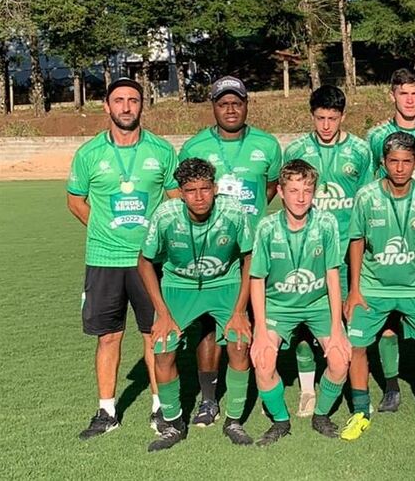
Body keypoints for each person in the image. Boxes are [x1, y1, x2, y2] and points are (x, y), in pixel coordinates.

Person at [68, 77, 179, 440]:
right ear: (107, 106)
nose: (126, 107)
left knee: (154, 336)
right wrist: (104, 230)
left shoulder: (162, 151)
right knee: (108, 337)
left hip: (149, 261)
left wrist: (156, 236)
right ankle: (107, 411)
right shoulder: (88, 154)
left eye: (133, 100)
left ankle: (160, 408)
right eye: (119, 100)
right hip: (103, 259)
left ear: (142, 105)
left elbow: (175, 197)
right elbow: (75, 200)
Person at [178, 75, 282, 426]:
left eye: (237, 102)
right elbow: (186, 193)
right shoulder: (194, 145)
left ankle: (261, 391)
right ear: (213, 107)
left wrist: (246, 223)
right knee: (208, 328)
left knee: (252, 324)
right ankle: (208, 399)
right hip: (213, 255)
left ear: (246, 105)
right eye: (223, 103)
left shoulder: (267, 144)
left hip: (254, 251)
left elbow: (269, 188)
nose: (231, 109)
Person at [342, 132, 415, 440]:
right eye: (394, 161)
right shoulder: (367, 196)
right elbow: (356, 242)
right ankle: (360, 411)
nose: (400, 168)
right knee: (357, 347)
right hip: (373, 286)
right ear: (383, 162)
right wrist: (354, 290)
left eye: (407, 162)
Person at [137, 159, 256, 451]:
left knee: (239, 344)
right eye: (191, 190)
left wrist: (240, 311)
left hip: (224, 283)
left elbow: (250, 257)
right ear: (180, 192)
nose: (200, 196)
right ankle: (174, 424)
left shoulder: (233, 211)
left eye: (205, 188)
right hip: (179, 286)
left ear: (215, 188)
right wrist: (162, 314)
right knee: (163, 350)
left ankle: (233, 421)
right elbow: (144, 261)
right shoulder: (165, 215)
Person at [283, 85, 372, 416]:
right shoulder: (296, 148)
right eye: (319, 118)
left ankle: (353, 387)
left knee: (349, 315)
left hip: (348, 252)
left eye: (332, 118)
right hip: (306, 252)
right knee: (307, 322)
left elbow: (364, 202)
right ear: (311, 116)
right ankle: (308, 388)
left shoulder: (361, 151)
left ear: (342, 116)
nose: (325, 125)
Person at [249, 159, 351, 446]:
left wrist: (336, 326)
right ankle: (281, 420)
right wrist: (259, 330)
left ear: (315, 191)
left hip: (318, 304)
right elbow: (256, 279)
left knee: (340, 359)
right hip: (279, 307)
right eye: (293, 190)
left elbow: (333, 276)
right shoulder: (268, 227)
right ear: (280, 192)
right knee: (264, 361)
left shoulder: (326, 222)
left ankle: (321, 415)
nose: (301, 197)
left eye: (307, 190)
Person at [365, 68, 415, 410]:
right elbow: (371, 181)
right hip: (387, 234)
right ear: (392, 95)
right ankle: (392, 384)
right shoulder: (377, 135)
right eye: (403, 93)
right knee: (388, 318)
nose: (409, 100)